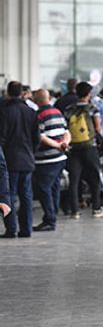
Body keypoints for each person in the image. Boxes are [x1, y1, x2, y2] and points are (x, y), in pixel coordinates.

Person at [0, 81, 40, 238]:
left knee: (9, 195)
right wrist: (32, 152)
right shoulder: (31, 111)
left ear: (8, 93)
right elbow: (36, 137)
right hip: (28, 159)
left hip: (10, 159)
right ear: (21, 93)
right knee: (26, 196)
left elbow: (2, 137)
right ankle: (26, 229)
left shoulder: (4, 112)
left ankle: (11, 229)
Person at [64, 82, 103, 219]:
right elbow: (98, 128)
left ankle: (75, 211)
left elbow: (66, 128)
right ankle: (96, 208)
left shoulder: (69, 109)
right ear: (89, 94)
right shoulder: (92, 108)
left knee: (74, 179)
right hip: (90, 147)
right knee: (94, 177)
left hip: (74, 148)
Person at [33, 89, 70, 232]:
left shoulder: (38, 115)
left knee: (44, 188)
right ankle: (52, 216)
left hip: (46, 159)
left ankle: (50, 218)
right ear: (48, 98)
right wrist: (64, 145)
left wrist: (58, 145)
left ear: (36, 100)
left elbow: (41, 137)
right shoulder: (57, 112)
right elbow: (66, 131)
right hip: (60, 158)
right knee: (54, 188)